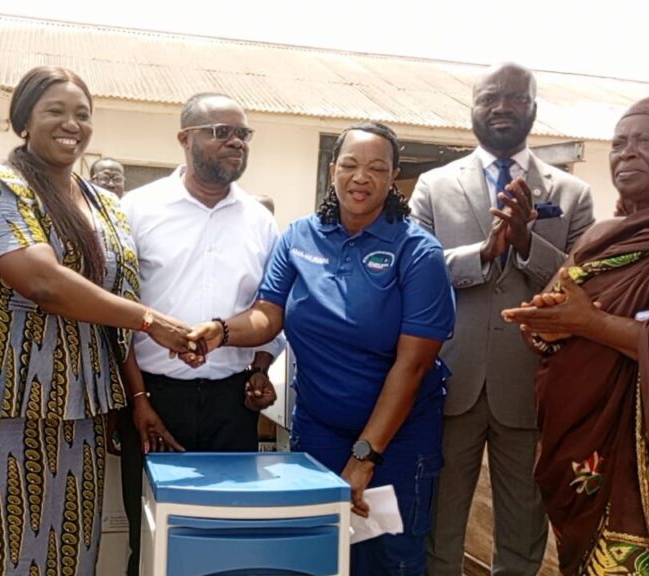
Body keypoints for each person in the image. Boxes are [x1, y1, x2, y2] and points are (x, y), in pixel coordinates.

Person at [0, 65, 194, 576]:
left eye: (82, 114)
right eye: (55, 111)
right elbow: (41, 282)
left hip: (81, 401)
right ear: (23, 121)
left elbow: (115, 310)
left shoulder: (105, 205)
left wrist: (137, 396)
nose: (72, 124)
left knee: (70, 548)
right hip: (2, 391)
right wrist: (153, 321)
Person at [187, 121, 455, 575]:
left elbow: (412, 367)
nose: (360, 177)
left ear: (393, 176)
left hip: (396, 442)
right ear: (333, 170)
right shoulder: (299, 237)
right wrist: (220, 331)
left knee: (388, 557)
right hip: (318, 432)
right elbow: (268, 314)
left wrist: (365, 457)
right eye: (349, 165)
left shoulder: (418, 253)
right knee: (318, 553)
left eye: (376, 168)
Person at [502, 89, 649, 575]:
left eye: (646, 141)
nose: (627, 153)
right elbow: (556, 312)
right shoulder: (602, 235)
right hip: (582, 448)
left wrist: (591, 323)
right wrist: (545, 324)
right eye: (619, 143)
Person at [409, 62, 595, 576]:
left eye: (516, 98)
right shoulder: (433, 185)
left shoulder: (571, 193)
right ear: (472, 107)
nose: (503, 108)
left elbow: (584, 284)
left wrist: (527, 244)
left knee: (523, 528)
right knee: (440, 523)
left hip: (531, 384)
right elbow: (417, 273)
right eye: (490, 97)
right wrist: (484, 253)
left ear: (534, 107)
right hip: (450, 380)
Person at [116, 92, 283, 575]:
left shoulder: (260, 220)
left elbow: (269, 308)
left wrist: (260, 368)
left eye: (243, 134)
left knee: (225, 543)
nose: (236, 142)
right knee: (151, 541)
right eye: (221, 132)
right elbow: (117, 315)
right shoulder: (137, 209)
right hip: (154, 403)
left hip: (233, 406)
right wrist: (138, 398)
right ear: (184, 138)